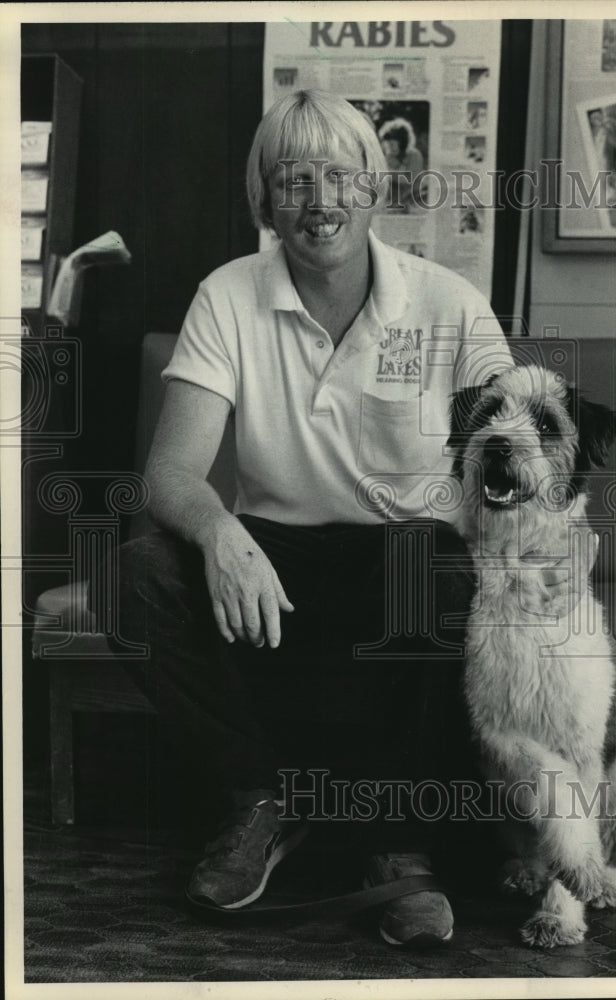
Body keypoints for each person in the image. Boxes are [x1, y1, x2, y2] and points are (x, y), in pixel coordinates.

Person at [114, 89, 581, 949]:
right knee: (138, 571)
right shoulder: (227, 295)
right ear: (265, 198)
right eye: (292, 180)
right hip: (272, 561)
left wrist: (551, 554)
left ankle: (395, 846)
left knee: (431, 556)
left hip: (400, 562)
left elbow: (514, 448)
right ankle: (259, 802)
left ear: (375, 188)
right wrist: (222, 533)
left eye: (339, 176)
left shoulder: (447, 301)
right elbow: (170, 475)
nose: (318, 201)